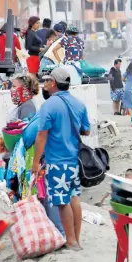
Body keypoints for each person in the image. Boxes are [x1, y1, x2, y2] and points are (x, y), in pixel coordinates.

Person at [31, 67, 91, 251]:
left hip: (57, 161)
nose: (45, 84)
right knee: (74, 197)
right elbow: (86, 130)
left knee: (62, 201)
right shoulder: (79, 104)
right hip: (74, 160)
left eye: (47, 80)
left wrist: (35, 163)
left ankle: (71, 241)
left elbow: (41, 136)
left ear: (53, 83)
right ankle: (76, 239)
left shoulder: (48, 106)